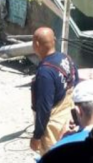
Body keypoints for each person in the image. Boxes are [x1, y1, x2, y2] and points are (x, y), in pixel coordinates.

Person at [29, 27, 78, 155]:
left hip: (54, 126)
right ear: (54, 40)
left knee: (54, 160)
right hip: (70, 117)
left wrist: (37, 136)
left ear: (36, 45)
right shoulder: (65, 58)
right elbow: (75, 81)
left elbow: (44, 107)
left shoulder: (45, 72)